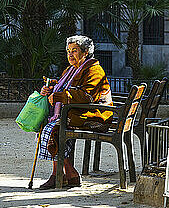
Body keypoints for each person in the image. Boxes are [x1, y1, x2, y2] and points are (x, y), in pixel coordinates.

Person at [38, 35, 113, 189]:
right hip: (79, 113)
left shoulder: (94, 69)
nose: (70, 54)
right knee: (51, 126)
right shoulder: (72, 69)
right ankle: (68, 174)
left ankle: (61, 175)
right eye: (68, 51)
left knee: (54, 128)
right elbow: (62, 86)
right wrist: (50, 89)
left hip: (96, 116)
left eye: (74, 51)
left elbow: (86, 96)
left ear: (85, 52)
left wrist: (58, 95)